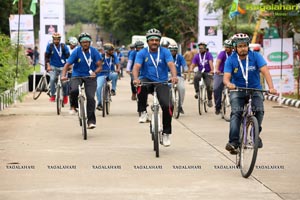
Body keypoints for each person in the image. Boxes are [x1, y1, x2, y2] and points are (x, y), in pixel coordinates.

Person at [223, 33, 277, 154]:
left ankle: (255, 134)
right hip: (238, 90)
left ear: (248, 46)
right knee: (236, 113)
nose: (243, 48)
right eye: (240, 46)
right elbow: (226, 77)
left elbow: (265, 71)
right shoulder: (231, 60)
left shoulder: (256, 56)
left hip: (255, 89)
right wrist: (229, 84)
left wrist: (272, 87)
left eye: (245, 45)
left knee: (259, 111)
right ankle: (233, 143)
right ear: (235, 47)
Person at [132, 28, 178, 147]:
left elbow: (171, 64)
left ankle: (166, 133)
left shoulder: (165, 52)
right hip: (147, 79)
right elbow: (136, 67)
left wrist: (174, 76)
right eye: (151, 40)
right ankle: (142, 112)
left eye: (156, 40)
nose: (154, 42)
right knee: (140, 86)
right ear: (147, 41)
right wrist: (136, 78)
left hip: (161, 82)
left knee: (169, 106)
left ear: (159, 41)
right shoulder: (142, 53)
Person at [61, 32, 102, 129]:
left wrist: (95, 73)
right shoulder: (76, 52)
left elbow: (100, 66)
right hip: (77, 75)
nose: (85, 43)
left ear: (90, 42)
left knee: (91, 98)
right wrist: (63, 75)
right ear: (80, 43)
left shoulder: (94, 52)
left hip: (90, 77)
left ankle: (91, 121)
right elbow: (67, 65)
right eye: (83, 42)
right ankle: (74, 106)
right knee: (74, 90)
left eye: (87, 42)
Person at [45, 32, 70, 103]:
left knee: (64, 82)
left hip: (63, 67)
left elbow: (68, 56)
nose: (56, 41)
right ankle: (53, 95)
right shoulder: (50, 46)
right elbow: (47, 56)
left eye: (57, 39)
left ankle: (65, 96)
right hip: (53, 66)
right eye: (55, 39)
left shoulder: (63, 46)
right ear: (53, 39)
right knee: (52, 79)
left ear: (60, 40)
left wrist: (69, 65)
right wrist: (48, 65)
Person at [96, 43, 120, 110]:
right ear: (106, 51)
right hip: (101, 74)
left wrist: (118, 69)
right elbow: (96, 64)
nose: (112, 51)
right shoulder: (100, 56)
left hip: (110, 73)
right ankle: (99, 103)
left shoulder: (113, 56)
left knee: (115, 75)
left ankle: (113, 90)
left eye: (113, 50)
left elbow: (118, 64)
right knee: (98, 88)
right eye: (111, 50)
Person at [190, 42, 214, 107]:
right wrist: (191, 69)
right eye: (199, 48)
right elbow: (193, 64)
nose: (200, 49)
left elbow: (210, 62)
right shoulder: (197, 55)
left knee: (209, 86)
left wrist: (212, 70)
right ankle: (197, 92)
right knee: (196, 77)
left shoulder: (208, 55)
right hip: (200, 71)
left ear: (205, 49)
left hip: (207, 72)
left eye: (201, 48)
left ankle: (209, 99)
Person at [213, 39, 233, 115]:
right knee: (216, 88)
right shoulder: (222, 53)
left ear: (232, 47)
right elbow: (218, 62)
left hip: (232, 74)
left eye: (228, 47)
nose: (226, 48)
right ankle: (218, 106)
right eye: (225, 46)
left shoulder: (235, 54)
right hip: (220, 74)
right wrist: (217, 69)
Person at [168, 43, 188, 114]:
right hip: (167, 76)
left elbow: (184, 65)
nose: (173, 52)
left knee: (182, 88)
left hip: (178, 76)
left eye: (174, 50)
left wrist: (185, 71)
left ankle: (180, 106)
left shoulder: (180, 57)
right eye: (171, 50)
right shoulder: (166, 57)